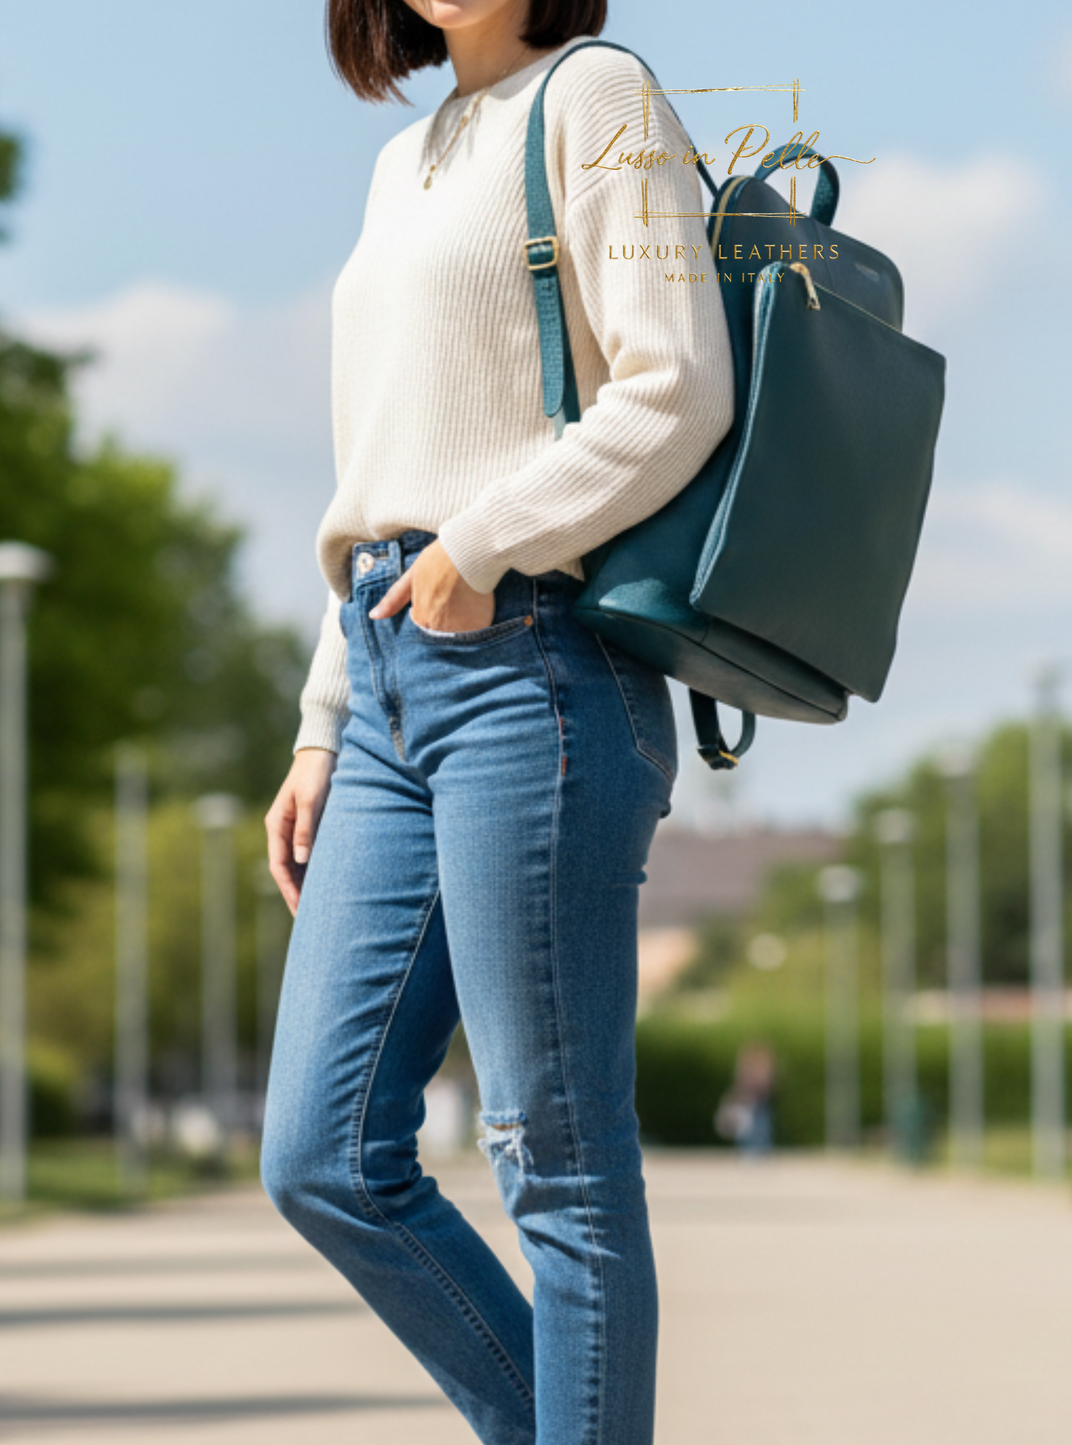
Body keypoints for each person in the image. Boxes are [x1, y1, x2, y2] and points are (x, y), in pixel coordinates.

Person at [257, 2, 734, 1442]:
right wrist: (323, 720)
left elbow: (677, 386)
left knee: (557, 1158)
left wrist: (484, 544)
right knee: (323, 1155)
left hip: (534, 665)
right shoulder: (401, 160)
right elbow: (378, 464)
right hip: (393, 664)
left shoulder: (601, 98)